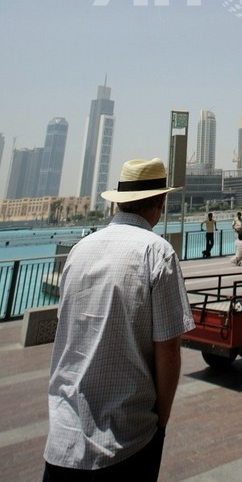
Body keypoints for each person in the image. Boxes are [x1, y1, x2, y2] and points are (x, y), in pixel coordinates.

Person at [43, 157, 194, 481]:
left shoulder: (79, 251)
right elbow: (168, 351)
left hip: (62, 437)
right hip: (128, 439)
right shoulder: (158, 252)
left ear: (119, 201)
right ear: (161, 201)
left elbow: (66, 328)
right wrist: (161, 421)